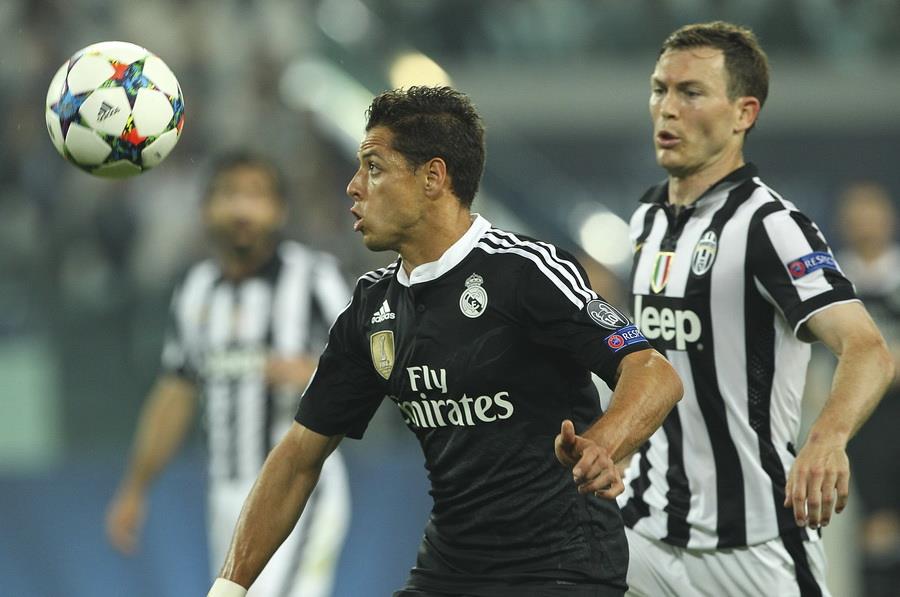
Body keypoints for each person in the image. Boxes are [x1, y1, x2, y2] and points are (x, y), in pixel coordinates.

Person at [206, 86, 683, 597]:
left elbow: (653, 371)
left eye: (374, 167)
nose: (353, 186)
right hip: (451, 569)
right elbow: (299, 457)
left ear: (433, 177)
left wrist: (603, 445)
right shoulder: (372, 309)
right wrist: (229, 588)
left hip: (562, 569)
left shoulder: (524, 272)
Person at [618, 21, 895, 597]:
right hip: (641, 531)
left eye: (691, 92)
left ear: (744, 113)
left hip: (752, 546)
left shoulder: (771, 226)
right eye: (659, 89)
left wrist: (827, 438)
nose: (667, 108)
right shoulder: (646, 219)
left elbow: (868, 349)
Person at [106, 152, 352, 597]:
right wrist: (135, 488)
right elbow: (176, 391)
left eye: (256, 196)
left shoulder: (314, 278)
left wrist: (315, 373)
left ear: (279, 210)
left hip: (299, 488)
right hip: (225, 499)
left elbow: (374, 364)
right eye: (229, 195)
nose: (242, 209)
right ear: (206, 209)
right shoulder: (196, 289)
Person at [834, 181, 900, 597]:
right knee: (867, 531)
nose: (865, 224)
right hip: (858, 423)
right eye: (856, 216)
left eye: (872, 213)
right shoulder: (832, 282)